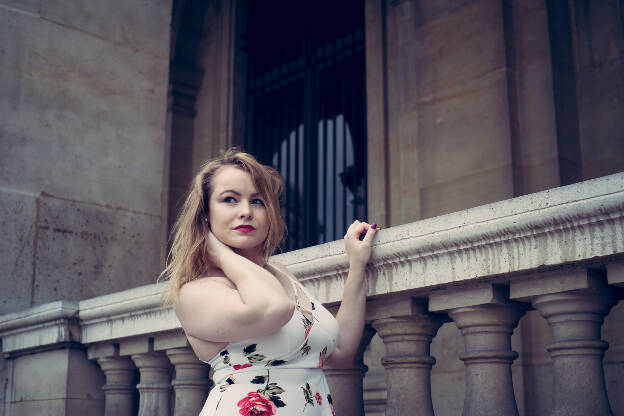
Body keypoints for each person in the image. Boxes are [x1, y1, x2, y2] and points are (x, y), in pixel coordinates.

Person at [161, 149, 378, 415]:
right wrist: (219, 253)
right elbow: (274, 309)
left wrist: (356, 266)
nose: (246, 212)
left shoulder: (280, 278)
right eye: (230, 199)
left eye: (258, 201)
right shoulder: (195, 291)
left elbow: (341, 352)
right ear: (205, 214)